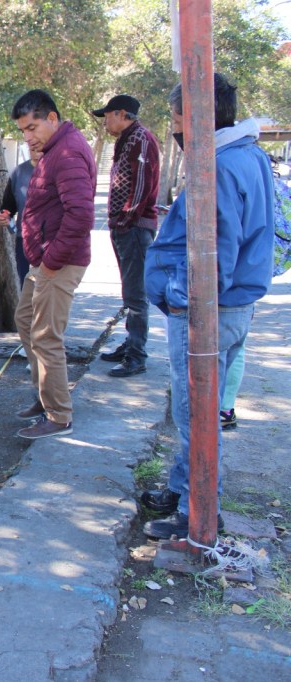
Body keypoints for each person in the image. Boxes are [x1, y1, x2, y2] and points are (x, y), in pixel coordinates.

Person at [141, 73, 275, 539]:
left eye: (176, 116)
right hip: (233, 305)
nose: (173, 125)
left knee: (196, 414)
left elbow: (216, 249)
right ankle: (184, 490)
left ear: (197, 116)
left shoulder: (218, 166)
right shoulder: (246, 155)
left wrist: (182, 302)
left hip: (209, 311)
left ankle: (198, 513)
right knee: (200, 409)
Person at [11, 89, 97, 439]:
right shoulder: (55, 149)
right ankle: (45, 396)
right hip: (45, 259)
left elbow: (81, 215)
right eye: (23, 131)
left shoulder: (67, 151)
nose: (27, 137)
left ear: (51, 118)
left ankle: (59, 416)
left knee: (46, 337)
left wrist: (51, 263)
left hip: (59, 261)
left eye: (32, 128)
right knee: (25, 320)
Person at [93, 94, 161, 378]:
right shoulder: (127, 139)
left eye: (107, 116)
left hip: (134, 227)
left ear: (122, 114)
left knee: (136, 294)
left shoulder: (141, 139)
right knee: (129, 291)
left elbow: (142, 185)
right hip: (125, 227)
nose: (105, 121)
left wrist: (125, 219)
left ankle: (136, 354)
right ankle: (131, 343)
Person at [0, 147, 42, 286]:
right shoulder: (19, 172)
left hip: (50, 241)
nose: (36, 151)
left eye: (40, 147)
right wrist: (3, 216)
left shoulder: (59, 170)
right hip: (24, 239)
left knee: (47, 288)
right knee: (24, 285)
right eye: (32, 147)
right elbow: (8, 206)